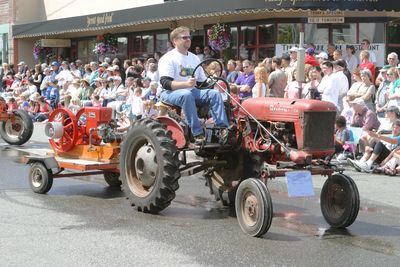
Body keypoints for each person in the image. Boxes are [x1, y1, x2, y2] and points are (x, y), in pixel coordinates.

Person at [158, 26, 232, 145]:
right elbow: (165, 83)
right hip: (169, 93)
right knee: (186, 94)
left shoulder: (194, 58)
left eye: (189, 37)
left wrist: (211, 81)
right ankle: (198, 134)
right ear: (175, 41)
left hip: (191, 90)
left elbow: (201, 82)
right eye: (184, 37)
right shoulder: (167, 58)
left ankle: (222, 129)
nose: (188, 39)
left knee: (214, 94)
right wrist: (186, 84)